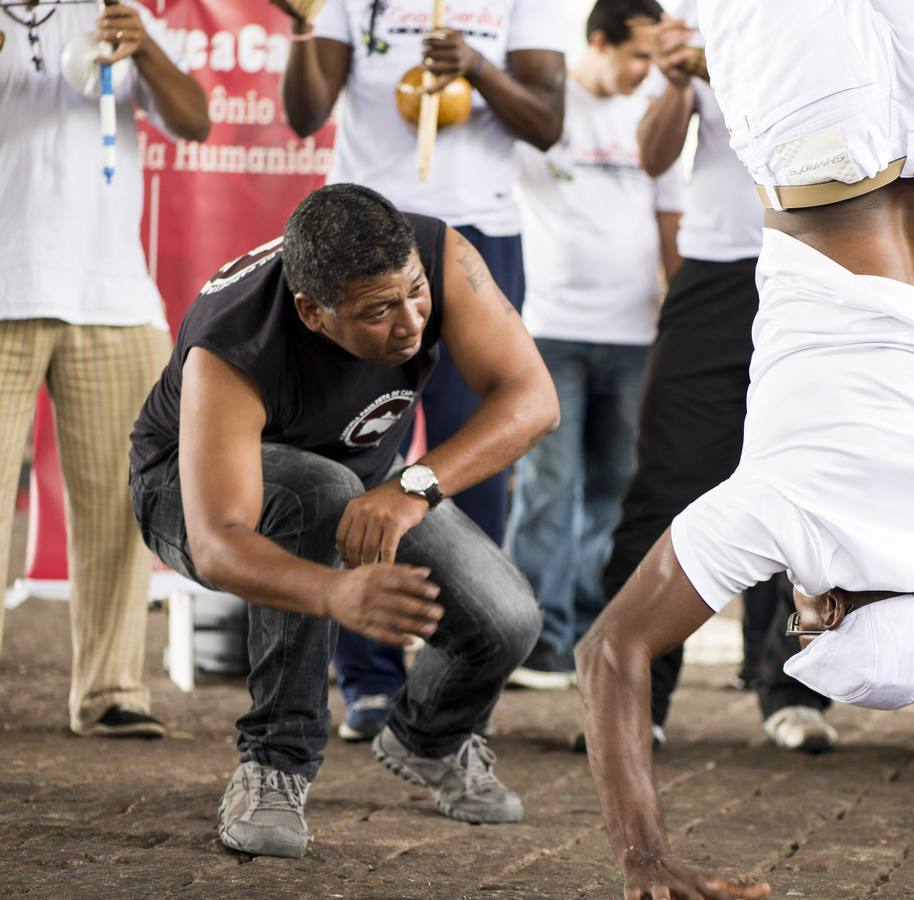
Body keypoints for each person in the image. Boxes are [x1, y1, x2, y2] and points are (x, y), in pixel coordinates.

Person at [575, 3, 914, 898]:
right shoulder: (791, 508)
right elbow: (609, 653)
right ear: (833, 607)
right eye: (807, 620)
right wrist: (644, 861)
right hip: (822, 156)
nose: (794, 608)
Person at [128, 184, 557, 858]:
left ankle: (430, 739)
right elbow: (218, 545)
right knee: (317, 492)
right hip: (186, 494)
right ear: (313, 312)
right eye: (379, 311)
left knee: (508, 620)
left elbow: (533, 400)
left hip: (365, 485)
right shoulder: (234, 342)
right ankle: (273, 765)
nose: (413, 323)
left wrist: (413, 486)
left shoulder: (437, 253)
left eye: (415, 293)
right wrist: (333, 592)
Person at [274, 0, 567, 739]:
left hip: (476, 235)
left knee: (475, 460)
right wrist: (305, 27)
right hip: (364, 240)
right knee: (359, 457)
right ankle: (369, 679)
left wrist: (477, 68)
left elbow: (546, 120)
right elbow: (307, 114)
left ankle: (457, 680)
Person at [601, 3, 840, 754]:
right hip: (713, 274)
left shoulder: (836, 20)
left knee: (810, 490)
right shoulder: (700, 16)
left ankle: (797, 690)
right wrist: (676, 82)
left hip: (815, 265)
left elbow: (836, 135)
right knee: (664, 485)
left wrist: (722, 68)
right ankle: (635, 693)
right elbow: (652, 155)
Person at [0, 1, 208, 737]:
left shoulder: (116, 11)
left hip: (112, 294)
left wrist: (145, 51)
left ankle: (113, 689)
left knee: (123, 506)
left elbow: (195, 120)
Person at [504, 0, 682, 690]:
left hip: (635, 332)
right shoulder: (547, 107)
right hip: (548, 329)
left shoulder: (658, 111)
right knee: (549, 487)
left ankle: (587, 631)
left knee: (613, 488)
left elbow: (671, 220)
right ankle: (536, 639)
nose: (647, 70)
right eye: (637, 54)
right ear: (599, 41)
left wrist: (675, 319)